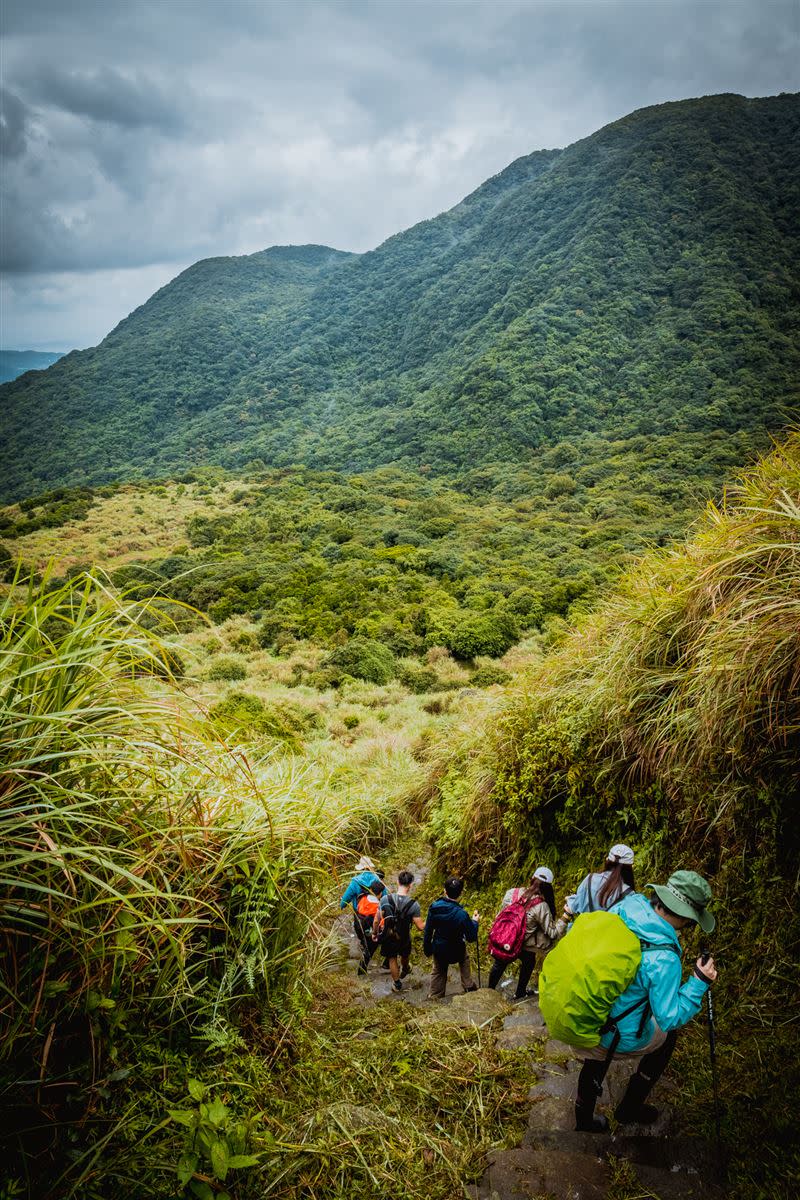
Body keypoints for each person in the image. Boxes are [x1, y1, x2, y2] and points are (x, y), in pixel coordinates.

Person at [573, 869, 718, 1132]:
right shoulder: (665, 958)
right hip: (613, 1032)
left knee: (598, 1050)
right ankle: (630, 1106)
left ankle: (583, 1120)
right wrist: (698, 980)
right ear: (687, 917)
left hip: (585, 1008)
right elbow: (669, 1016)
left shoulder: (629, 905)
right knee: (668, 1036)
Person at [487, 867, 568, 999]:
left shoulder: (511, 893)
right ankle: (520, 992)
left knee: (500, 964)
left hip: (505, 940)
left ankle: (488, 992)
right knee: (529, 960)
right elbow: (553, 933)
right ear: (548, 887)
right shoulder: (541, 906)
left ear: (532, 879)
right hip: (522, 944)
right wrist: (565, 917)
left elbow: (501, 915)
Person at [423, 876, 480, 999]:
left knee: (438, 970)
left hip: (439, 949)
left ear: (444, 890)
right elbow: (471, 937)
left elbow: (428, 931)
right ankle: (468, 985)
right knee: (464, 959)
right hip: (457, 950)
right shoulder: (462, 914)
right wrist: (475, 922)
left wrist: (427, 949)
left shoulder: (434, 908)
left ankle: (435, 995)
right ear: (461, 894)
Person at [375, 870, 426, 993]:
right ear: (411, 885)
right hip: (404, 936)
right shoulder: (414, 905)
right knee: (405, 955)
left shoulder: (385, 899)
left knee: (392, 959)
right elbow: (421, 927)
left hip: (389, 934)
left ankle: (397, 984)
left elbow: (377, 920)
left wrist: (374, 933)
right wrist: (432, 918)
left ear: (397, 882)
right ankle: (405, 968)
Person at [339, 857, 387, 973]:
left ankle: (364, 944)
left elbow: (345, 900)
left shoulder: (355, 881)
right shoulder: (378, 880)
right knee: (376, 933)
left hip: (360, 914)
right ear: (370, 867)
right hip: (376, 913)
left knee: (361, 931)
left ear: (361, 868)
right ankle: (372, 947)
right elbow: (384, 898)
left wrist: (342, 905)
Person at [565, 843, 636, 917]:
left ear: (607, 861)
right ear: (630, 868)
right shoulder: (628, 893)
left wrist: (570, 899)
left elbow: (576, 904)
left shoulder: (590, 879)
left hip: (584, 927)